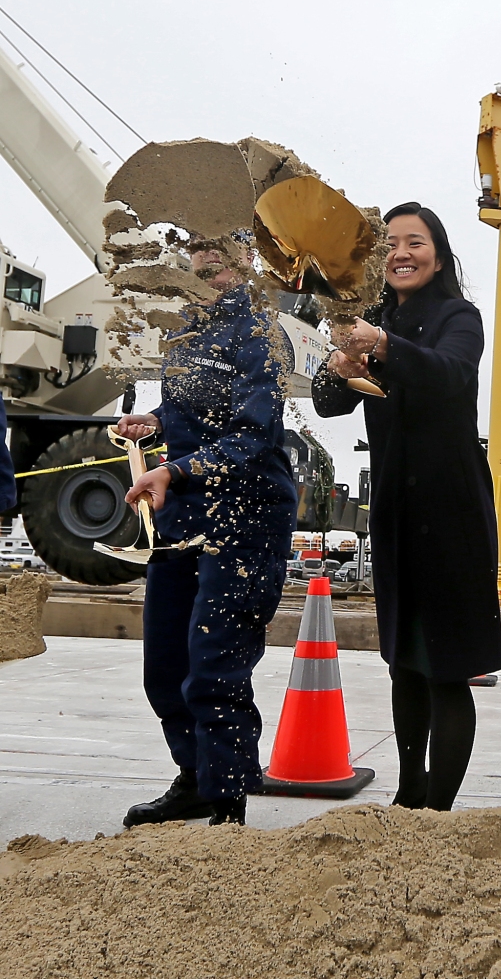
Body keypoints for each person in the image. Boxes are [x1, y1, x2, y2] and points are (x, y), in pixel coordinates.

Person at [311, 201, 501, 811]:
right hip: (393, 506)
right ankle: (407, 794)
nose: (400, 252)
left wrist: (385, 346)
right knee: (403, 662)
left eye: (415, 242)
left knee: (444, 665)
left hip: (450, 511)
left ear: (439, 255)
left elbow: (450, 374)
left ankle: (437, 810)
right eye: (390, 243)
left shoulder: (459, 316)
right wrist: (341, 365)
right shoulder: (364, 321)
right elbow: (325, 402)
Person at [118, 243, 297, 828]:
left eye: (217, 252)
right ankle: (194, 778)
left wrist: (174, 470)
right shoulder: (187, 330)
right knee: (165, 664)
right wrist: (154, 423)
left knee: (214, 667)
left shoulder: (263, 330)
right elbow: (183, 414)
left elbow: (252, 435)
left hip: (245, 519)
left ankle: (228, 806)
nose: (203, 263)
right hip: (182, 518)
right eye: (196, 252)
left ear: (246, 256)